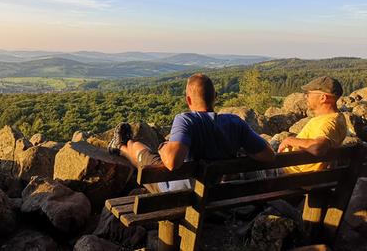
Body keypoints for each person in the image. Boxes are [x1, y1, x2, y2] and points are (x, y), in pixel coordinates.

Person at [108, 73, 275, 193]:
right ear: (215, 97)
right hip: (217, 195)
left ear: (188, 100)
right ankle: (122, 146)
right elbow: (269, 156)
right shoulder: (235, 122)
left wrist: (163, 147)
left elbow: (172, 163)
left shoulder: (186, 120)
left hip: (179, 194)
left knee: (144, 154)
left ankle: (122, 146)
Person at [278, 76, 347, 174]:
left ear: (323, 98)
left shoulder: (329, 123)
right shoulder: (337, 117)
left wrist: (290, 140)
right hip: (300, 175)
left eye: (308, 94)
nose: (306, 97)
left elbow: (318, 148)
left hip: (291, 175)